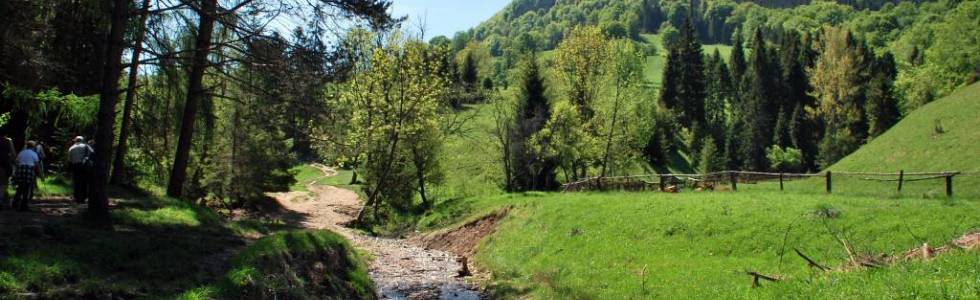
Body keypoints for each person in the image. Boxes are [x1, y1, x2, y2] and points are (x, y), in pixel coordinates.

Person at [12, 141, 41, 211]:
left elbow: (16, 162)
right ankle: (23, 205)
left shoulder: (21, 153)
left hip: (21, 170)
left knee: (20, 187)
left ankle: (15, 203)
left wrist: (16, 171)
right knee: (27, 188)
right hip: (29, 170)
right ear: (33, 147)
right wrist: (40, 174)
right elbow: (37, 165)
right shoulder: (34, 154)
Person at [67, 136, 94, 204]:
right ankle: (83, 198)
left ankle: (76, 197)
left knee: (76, 182)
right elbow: (92, 152)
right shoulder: (85, 146)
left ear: (75, 140)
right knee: (84, 182)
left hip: (75, 166)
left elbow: (69, 160)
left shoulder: (71, 148)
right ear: (82, 140)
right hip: (84, 166)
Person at [0, 132, 14, 209]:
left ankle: (6, 201)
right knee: (4, 184)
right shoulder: (8, 140)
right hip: (4, 164)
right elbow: (13, 153)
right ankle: (1, 200)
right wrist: (13, 160)